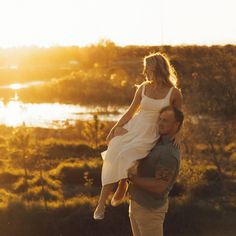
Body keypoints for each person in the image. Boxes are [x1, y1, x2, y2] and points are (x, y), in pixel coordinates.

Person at [93, 52, 183, 220]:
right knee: (114, 149)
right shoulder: (143, 87)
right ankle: (101, 202)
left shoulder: (174, 93)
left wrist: (178, 134)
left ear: (158, 68)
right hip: (135, 125)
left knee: (127, 154)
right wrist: (115, 128)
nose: (145, 71)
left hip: (151, 131)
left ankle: (123, 182)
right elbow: (131, 111)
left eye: (148, 67)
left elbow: (179, 117)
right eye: (145, 68)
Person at [128, 105, 184, 236]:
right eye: (160, 119)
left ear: (176, 125)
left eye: (165, 120)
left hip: (149, 210)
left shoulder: (169, 152)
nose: (160, 123)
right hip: (136, 204)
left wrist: (131, 178)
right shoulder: (156, 141)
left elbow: (160, 186)